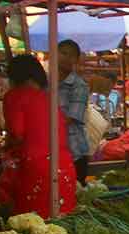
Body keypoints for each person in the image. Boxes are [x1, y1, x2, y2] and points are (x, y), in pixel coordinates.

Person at [0, 55, 76, 218]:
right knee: (60, 230)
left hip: (35, 171)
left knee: (33, 230)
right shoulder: (50, 98)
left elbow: (17, 134)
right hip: (64, 168)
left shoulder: (14, 96)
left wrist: (5, 145)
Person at [56, 39, 89, 185]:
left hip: (74, 152)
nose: (66, 58)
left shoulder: (79, 85)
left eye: (71, 55)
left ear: (76, 59)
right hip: (52, 151)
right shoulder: (46, 82)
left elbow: (71, 118)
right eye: (63, 53)